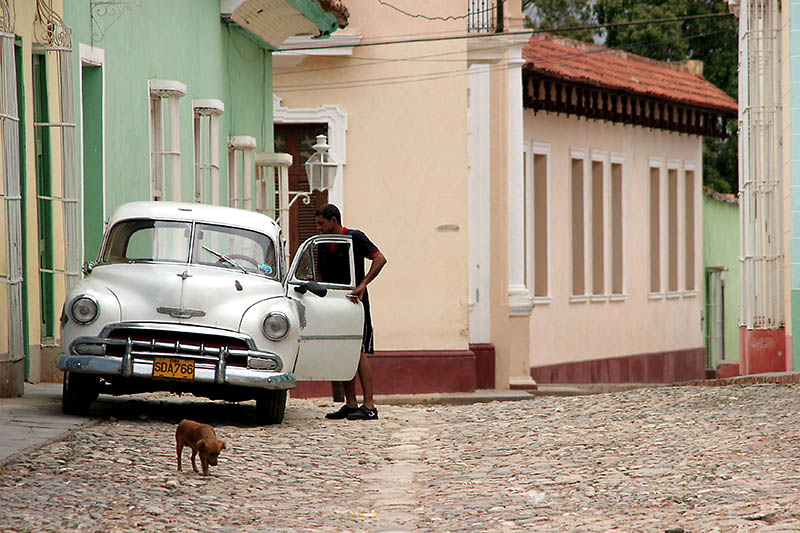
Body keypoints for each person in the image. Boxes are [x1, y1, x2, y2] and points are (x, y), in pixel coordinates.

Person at [314, 204, 386, 421]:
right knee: (342, 350)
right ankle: (350, 403)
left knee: (359, 350)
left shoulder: (355, 237)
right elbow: (320, 275)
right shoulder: (323, 245)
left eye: (321, 223)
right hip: (336, 305)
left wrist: (363, 284)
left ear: (333, 220)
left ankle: (370, 405)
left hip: (356, 302)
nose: (318, 228)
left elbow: (380, 258)